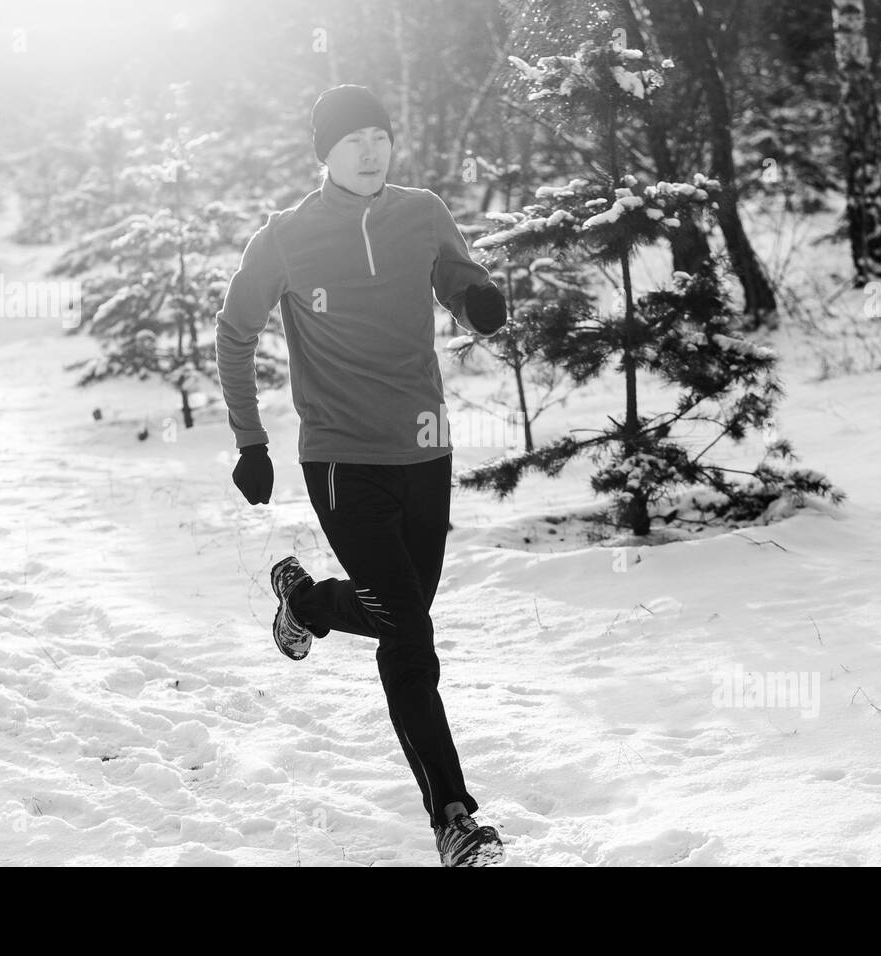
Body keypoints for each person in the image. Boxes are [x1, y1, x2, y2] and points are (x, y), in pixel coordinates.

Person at [214, 84, 508, 867]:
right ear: (326, 153)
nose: (372, 149)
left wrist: (474, 295)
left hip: (426, 450)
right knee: (410, 638)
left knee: (396, 613)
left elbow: (451, 271)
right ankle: (453, 817)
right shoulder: (285, 237)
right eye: (354, 140)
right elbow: (235, 330)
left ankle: (304, 603)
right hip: (342, 458)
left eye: (380, 135)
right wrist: (250, 441)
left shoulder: (424, 209)